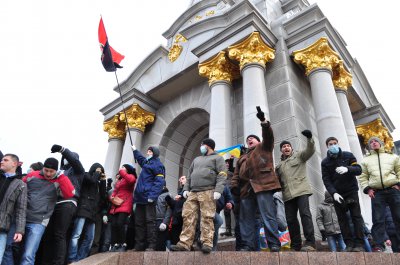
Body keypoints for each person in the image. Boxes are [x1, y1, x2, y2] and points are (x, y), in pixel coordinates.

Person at [231, 107, 282, 252]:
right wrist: (234, 188)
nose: (249, 140)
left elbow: (268, 136)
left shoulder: (264, 147)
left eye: (252, 138)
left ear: (258, 141)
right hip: (246, 190)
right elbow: (235, 175)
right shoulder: (242, 157)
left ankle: (273, 243)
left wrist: (264, 122)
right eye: (248, 139)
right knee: (245, 219)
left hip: (263, 185)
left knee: (268, 215)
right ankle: (247, 245)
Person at [171, 138, 227, 254]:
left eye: (202, 145)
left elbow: (222, 174)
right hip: (193, 192)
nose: (201, 147)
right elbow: (189, 175)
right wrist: (186, 189)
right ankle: (184, 243)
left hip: (208, 191)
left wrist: (218, 190)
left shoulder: (218, 158)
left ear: (208, 146)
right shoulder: (196, 159)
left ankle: (207, 243)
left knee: (207, 217)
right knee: (188, 217)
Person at [20, 158, 75, 265]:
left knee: (28, 254)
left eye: (52, 171)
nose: (48, 174)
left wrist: (62, 177)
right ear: (43, 168)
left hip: (39, 222)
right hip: (22, 218)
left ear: (56, 170)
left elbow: (70, 194)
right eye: (46, 170)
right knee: (13, 248)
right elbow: (20, 187)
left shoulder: (59, 179)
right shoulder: (32, 175)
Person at [39, 144, 85, 265]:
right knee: (48, 234)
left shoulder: (77, 171)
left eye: (68, 158)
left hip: (67, 203)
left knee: (59, 234)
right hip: (53, 203)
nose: (66, 160)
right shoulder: (59, 171)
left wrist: (63, 150)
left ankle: (58, 262)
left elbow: (74, 161)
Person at [321, 137, 365, 252]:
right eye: (330, 144)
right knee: (342, 220)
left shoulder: (348, 155)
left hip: (351, 191)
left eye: (335, 143)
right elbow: (326, 180)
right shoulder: (325, 162)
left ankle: (359, 243)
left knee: (356, 216)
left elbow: (358, 169)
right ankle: (349, 244)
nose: (333, 145)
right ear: (327, 146)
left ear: (338, 144)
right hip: (338, 194)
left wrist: (347, 169)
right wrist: (334, 193)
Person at [275, 129, 316, 251]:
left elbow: (310, 150)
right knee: (291, 220)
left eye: (288, 146)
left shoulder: (299, 156)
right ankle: (296, 245)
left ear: (291, 149)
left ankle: (310, 243)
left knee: (305, 215)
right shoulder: (278, 166)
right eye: (283, 147)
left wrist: (309, 138)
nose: (286, 148)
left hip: (301, 190)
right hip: (287, 195)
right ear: (281, 150)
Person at [359, 136, 400, 252]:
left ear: (380, 143)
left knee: (398, 217)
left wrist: (399, 185)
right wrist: (368, 189)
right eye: (371, 142)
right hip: (377, 192)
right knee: (378, 219)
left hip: (393, 189)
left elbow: (399, 170)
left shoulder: (392, 156)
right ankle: (378, 246)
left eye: (375, 141)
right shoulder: (365, 160)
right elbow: (362, 176)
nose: (373, 143)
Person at [68, 163, 106, 262]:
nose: (99, 172)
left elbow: (103, 196)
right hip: (83, 209)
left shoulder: (97, 182)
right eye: (98, 170)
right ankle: (72, 259)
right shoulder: (86, 176)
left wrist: (103, 181)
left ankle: (80, 259)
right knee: (76, 235)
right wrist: (97, 173)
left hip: (93, 212)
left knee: (90, 238)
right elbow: (92, 180)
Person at [131, 145, 166, 251]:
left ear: (154, 153)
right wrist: (135, 150)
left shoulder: (158, 165)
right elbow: (140, 159)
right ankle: (139, 244)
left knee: (150, 222)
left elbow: (159, 182)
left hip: (149, 198)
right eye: (147, 152)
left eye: (150, 152)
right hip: (140, 198)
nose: (148, 153)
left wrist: (152, 196)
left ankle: (151, 245)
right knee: (139, 222)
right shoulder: (147, 163)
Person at [0, 154, 27, 263]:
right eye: (2, 160)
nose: (2, 162)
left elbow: (21, 209)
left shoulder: (21, 185)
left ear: (14, 164)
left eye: (5, 160)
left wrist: (19, 231)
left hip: (2, 227)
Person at [109, 165, 136, 252]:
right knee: (114, 224)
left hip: (125, 203)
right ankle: (114, 244)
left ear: (127, 169)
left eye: (124, 167)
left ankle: (123, 243)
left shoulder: (131, 177)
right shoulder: (120, 180)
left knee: (120, 223)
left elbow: (131, 180)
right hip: (116, 204)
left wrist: (122, 172)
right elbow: (115, 190)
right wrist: (112, 197)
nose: (121, 168)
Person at [155, 186, 172, 251]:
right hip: (153, 221)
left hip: (161, 221)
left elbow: (169, 210)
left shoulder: (168, 195)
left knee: (160, 243)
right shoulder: (155, 194)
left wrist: (165, 222)